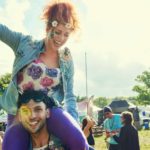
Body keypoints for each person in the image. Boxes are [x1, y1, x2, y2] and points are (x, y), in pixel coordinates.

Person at [0, 0, 89, 149]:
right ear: (48, 27)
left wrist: (74, 122)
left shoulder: (66, 59)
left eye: (66, 34)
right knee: (10, 146)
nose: (61, 39)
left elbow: (69, 95)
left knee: (79, 141)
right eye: (58, 32)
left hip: (48, 110)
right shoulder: (25, 43)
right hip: (21, 112)